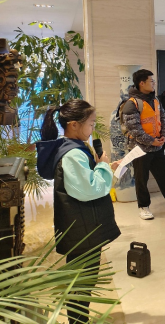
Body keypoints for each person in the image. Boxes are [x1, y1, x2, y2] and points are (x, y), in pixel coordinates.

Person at [36, 100, 121, 324]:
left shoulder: (71, 148)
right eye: (91, 124)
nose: (93, 128)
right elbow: (89, 189)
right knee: (82, 284)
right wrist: (102, 166)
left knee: (82, 281)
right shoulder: (73, 154)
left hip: (81, 227)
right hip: (82, 230)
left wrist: (104, 167)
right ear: (74, 125)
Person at [122, 69, 165, 220]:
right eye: (151, 81)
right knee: (141, 179)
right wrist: (151, 140)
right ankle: (143, 207)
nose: (154, 83)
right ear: (142, 83)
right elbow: (134, 129)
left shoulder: (155, 100)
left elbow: (163, 119)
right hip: (140, 148)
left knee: (164, 176)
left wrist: (164, 135)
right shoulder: (131, 103)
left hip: (157, 146)